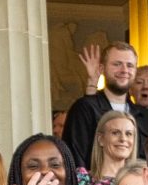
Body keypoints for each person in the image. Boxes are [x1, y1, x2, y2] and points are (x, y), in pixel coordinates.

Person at [61, 41, 142, 169]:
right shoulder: (84, 108)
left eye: (130, 65)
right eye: (117, 64)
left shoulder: (143, 114)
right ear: (101, 69)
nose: (124, 70)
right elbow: (75, 158)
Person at [75, 110, 138, 185]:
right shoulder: (84, 179)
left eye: (128, 134)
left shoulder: (143, 179)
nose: (123, 139)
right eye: (115, 133)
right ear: (101, 139)